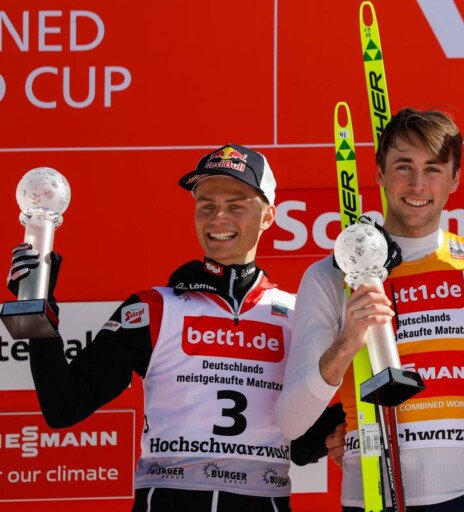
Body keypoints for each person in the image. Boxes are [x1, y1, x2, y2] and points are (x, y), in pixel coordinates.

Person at [7, 144, 343, 512]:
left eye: (235, 206)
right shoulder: (152, 308)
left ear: (268, 216)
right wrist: (38, 307)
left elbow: (298, 440)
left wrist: (344, 426)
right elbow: (64, 405)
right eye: (206, 206)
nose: (218, 218)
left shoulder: (296, 314)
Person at [275, 108, 464, 511]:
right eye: (404, 166)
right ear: (380, 173)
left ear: (454, 179)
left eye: (433, 168)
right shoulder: (332, 274)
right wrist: (347, 343)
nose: (418, 184)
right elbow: (291, 422)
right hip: (370, 494)